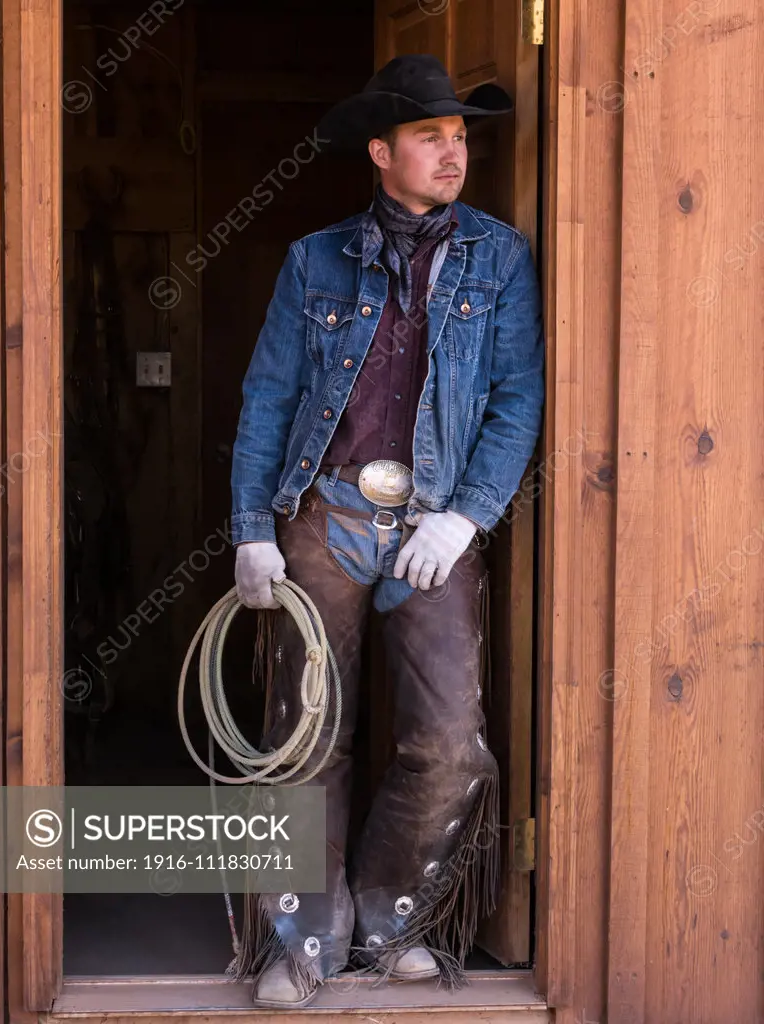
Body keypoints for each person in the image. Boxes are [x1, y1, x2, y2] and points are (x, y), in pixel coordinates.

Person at [229, 53, 545, 1009]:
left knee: (450, 741)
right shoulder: (314, 259)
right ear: (380, 152)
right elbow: (270, 396)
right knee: (306, 734)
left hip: (434, 521)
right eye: (429, 138)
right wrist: (251, 527)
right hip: (326, 514)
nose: (452, 155)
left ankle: (389, 921)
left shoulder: (502, 256)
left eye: (458, 139)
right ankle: (298, 944)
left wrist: (466, 516)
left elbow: (519, 398)